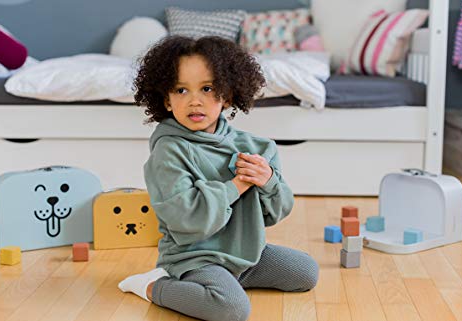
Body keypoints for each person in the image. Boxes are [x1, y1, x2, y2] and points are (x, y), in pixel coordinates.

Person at [118, 35, 319, 321]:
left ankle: (226, 281)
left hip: (245, 252)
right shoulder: (168, 152)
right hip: (194, 257)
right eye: (181, 90)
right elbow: (187, 220)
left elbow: (274, 214)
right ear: (166, 98)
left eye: (207, 88)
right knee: (232, 309)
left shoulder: (256, 148)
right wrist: (236, 186)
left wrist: (269, 180)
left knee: (305, 272)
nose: (195, 100)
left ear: (226, 95)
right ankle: (153, 286)